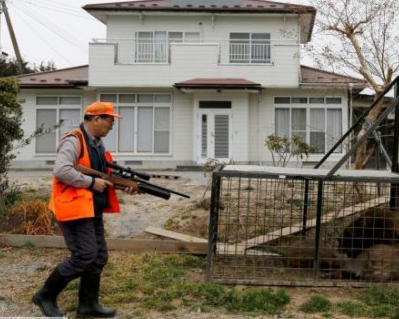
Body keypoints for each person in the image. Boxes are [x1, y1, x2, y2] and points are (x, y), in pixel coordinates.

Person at [32, 101, 138, 318]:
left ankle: (88, 305)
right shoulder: (73, 140)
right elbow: (61, 170)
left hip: (91, 208)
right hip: (74, 208)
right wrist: (90, 183)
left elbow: (102, 175)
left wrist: (124, 185)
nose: (112, 126)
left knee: (98, 257)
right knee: (85, 255)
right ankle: (45, 296)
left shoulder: (97, 144)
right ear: (96, 118)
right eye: (110, 121)